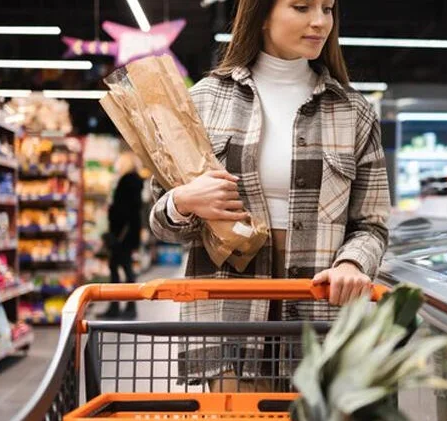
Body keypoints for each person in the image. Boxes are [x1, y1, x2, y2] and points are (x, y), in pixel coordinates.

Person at [149, 0, 390, 390]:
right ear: (261, 15)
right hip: (228, 314)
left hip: (320, 316)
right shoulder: (204, 101)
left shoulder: (353, 112)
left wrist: (353, 265)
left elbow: (372, 224)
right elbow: (161, 219)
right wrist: (184, 201)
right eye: (301, 7)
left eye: (327, 9)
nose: (319, 22)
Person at [101, 152, 144, 319]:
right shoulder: (135, 181)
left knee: (119, 268)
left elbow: (124, 210)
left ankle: (121, 307)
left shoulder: (127, 181)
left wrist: (112, 211)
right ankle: (123, 306)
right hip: (128, 233)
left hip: (122, 234)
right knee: (123, 268)